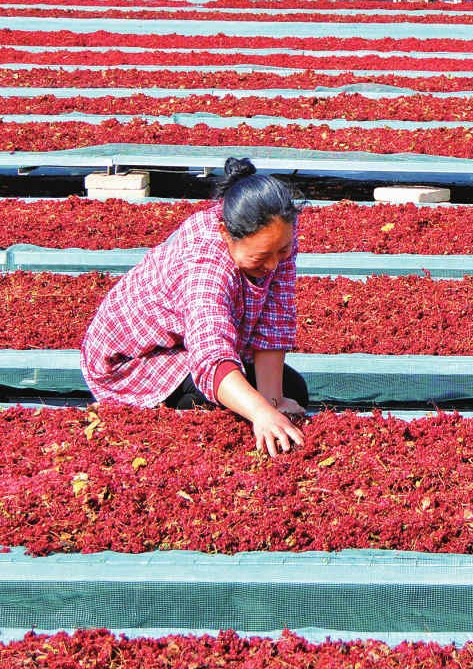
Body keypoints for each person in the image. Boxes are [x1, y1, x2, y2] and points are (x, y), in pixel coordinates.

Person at [80, 158, 308, 457]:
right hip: (133, 358)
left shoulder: (277, 235)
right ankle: (125, 404)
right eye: (262, 256)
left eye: (283, 251)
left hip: (182, 343)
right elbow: (210, 351)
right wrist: (261, 412)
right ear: (226, 233)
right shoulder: (205, 266)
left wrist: (273, 401)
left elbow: (274, 316)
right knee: (219, 410)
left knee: (294, 392)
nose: (273, 264)